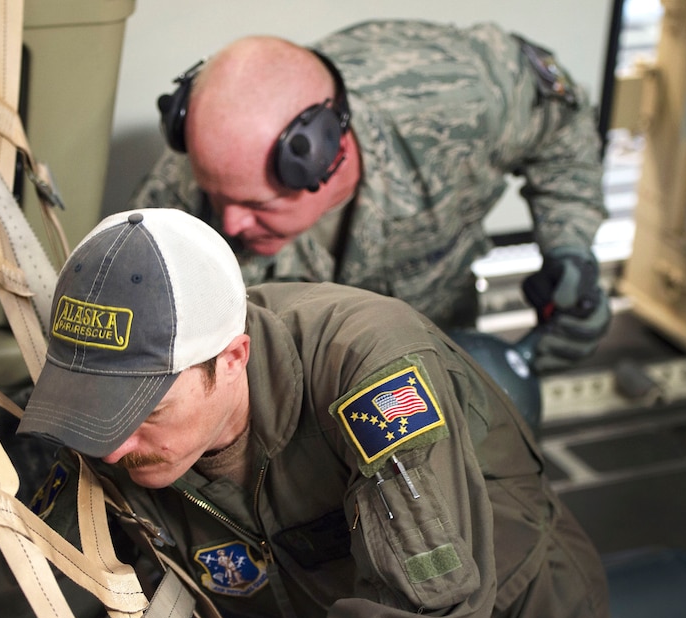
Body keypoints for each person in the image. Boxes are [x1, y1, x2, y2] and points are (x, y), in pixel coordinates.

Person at [18, 208, 611, 618]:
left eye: (144, 412)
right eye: (95, 412)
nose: (113, 449)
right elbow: (37, 578)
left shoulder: (369, 370)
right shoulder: (131, 409)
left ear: (232, 359)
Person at [130, 19, 612, 373]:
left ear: (327, 156)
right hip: (279, 388)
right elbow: (137, 325)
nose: (230, 224)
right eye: (220, 196)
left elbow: (563, 131)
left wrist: (568, 246)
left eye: (258, 205)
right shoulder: (184, 187)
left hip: (434, 342)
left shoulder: (464, 102)